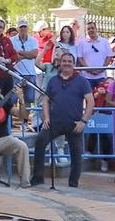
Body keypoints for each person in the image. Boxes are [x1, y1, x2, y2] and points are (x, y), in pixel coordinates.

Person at [30, 53, 94, 188]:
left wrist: (84, 121)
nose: (66, 63)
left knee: (76, 153)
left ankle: (73, 182)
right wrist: (46, 117)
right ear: (60, 62)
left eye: (69, 61)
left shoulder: (82, 81)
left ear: (73, 63)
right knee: (40, 142)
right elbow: (46, 100)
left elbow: (90, 102)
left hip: (74, 123)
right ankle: (38, 177)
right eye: (64, 61)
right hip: (55, 122)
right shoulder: (53, 80)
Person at [72, 22, 112, 87]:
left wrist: (101, 69)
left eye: (92, 28)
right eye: (88, 29)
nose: (91, 30)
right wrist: (89, 69)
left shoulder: (104, 42)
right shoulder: (82, 43)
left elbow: (109, 57)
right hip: (86, 77)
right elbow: (80, 58)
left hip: (101, 76)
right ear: (86, 31)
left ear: (96, 29)